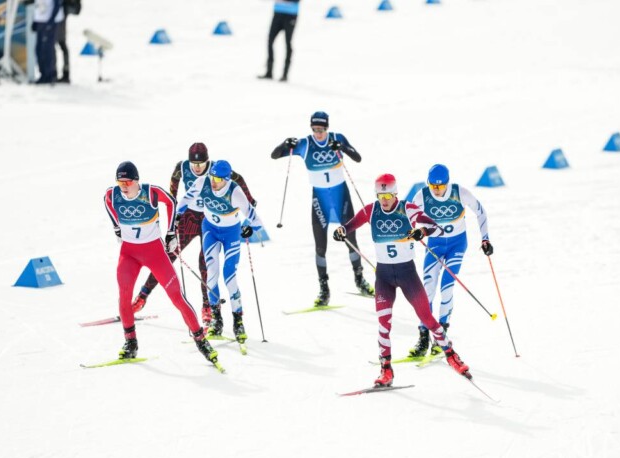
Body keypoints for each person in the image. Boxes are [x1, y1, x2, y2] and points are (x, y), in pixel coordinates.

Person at [333, 174, 472, 387]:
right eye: (381, 195)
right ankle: (386, 370)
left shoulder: (407, 209)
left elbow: (437, 228)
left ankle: (451, 355)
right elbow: (350, 225)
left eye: (388, 194)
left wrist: (421, 231)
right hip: (384, 277)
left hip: (408, 274)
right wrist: (342, 230)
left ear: (396, 193)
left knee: (427, 318)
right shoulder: (372, 210)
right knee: (383, 324)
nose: (385, 200)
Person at [103, 161, 219, 366]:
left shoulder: (151, 193)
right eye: (120, 182)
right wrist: (116, 227)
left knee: (177, 297)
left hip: (154, 253)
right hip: (129, 254)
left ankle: (201, 340)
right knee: (124, 296)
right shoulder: (113, 195)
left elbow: (172, 203)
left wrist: (171, 232)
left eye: (127, 181)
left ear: (136, 180)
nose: (124, 186)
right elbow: (106, 202)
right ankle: (130, 343)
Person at [131, 143, 257, 329]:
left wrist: (249, 201)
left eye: (201, 163)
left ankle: (208, 308)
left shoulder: (216, 170)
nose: (197, 167)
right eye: (194, 164)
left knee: (206, 265)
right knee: (167, 257)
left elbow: (239, 181)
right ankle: (142, 296)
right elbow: (172, 193)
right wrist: (174, 216)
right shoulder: (181, 167)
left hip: (210, 220)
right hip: (189, 218)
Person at [271, 111, 373, 306]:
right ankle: (324, 289)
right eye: (315, 129)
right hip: (320, 200)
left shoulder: (337, 138)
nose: (319, 133)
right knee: (320, 246)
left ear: (328, 127)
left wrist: (342, 147)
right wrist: (285, 144)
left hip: (341, 195)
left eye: (322, 129)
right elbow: (274, 156)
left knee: (350, 239)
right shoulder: (305, 144)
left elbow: (357, 158)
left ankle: (359, 279)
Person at [407, 164, 492, 357]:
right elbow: (409, 219)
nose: (437, 190)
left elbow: (480, 212)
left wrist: (485, 239)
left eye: (441, 186)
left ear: (447, 182)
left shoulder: (459, 192)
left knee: (446, 287)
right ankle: (423, 337)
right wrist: (414, 233)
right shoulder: (421, 196)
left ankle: (441, 334)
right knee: (427, 290)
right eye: (433, 186)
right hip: (435, 244)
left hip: (456, 245)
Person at [177, 159, 262, 345]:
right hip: (210, 230)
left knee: (229, 275)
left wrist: (249, 227)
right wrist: (177, 216)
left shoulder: (235, 192)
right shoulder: (203, 182)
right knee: (211, 275)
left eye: (218, 178)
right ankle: (216, 320)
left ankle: (238, 322)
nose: (213, 181)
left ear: (227, 179)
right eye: (212, 176)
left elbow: (256, 219)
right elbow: (184, 200)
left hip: (231, 234)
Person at [258, 0, 299, 82]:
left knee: (288, 43)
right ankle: (269, 72)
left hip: (291, 15)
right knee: (270, 41)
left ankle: (285, 74)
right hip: (278, 13)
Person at [32, 0, 64, 84]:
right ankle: (43, 73)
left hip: (50, 20)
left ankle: (50, 74)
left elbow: (57, 5)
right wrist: (35, 21)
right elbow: (37, 4)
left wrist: (51, 21)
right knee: (39, 49)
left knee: (47, 49)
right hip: (40, 20)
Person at [55, 0, 79, 83]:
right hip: (59, 22)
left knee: (60, 47)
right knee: (62, 47)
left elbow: (76, 10)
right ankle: (63, 73)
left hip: (58, 23)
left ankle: (63, 73)